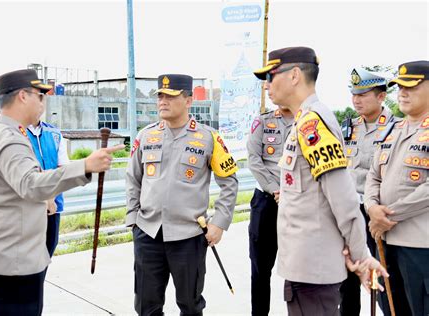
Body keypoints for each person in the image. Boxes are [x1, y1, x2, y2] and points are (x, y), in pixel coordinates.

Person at [0, 69, 124, 316]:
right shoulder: (11, 139)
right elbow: (31, 184)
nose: (43, 102)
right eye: (40, 96)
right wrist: (85, 165)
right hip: (14, 261)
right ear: (23, 96)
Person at [253, 47, 388, 315]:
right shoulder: (304, 120)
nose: (267, 85)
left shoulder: (313, 123)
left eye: (271, 76)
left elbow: (342, 196)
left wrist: (361, 256)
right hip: (305, 265)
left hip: (312, 269)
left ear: (294, 76)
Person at [125, 74, 239, 316]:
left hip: (189, 236)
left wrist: (219, 223)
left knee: (190, 305)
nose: (162, 101)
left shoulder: (209, 138)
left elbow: (229, 182)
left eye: (170, 96)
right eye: (160, 96)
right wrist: (133, 219)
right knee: (146, 306)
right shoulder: (146, 136)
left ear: (188, 101)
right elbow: (133, 178)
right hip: (148, 232)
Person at [365, 60, 429, 316]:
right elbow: (373, 174)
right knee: (392, 308)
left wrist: (388, 215)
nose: (402, 92)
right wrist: (371, 207)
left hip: (420, 245)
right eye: (400, 86)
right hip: (386, 241)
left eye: (411, 86)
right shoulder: (393, 129)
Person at [339, 67, 401, 316]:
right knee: (348, 280)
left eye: (363, 94)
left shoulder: (396, 129)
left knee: (383, 282)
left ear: (381, 96)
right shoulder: (348, 128)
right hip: (351, 212)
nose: (356, 100)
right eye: (354, 94)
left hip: (377, 214)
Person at [247, 91, 293, 314]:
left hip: (297, 203)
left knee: (297, 270)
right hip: (266, 202)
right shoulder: (263, 121)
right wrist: (276, 189)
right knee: (260, 269)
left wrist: (289, 192)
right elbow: (254, 160)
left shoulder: (310, 121)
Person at [27, 120, 69, 257]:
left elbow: (63, 169)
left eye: (42, 98)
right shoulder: (14, 132)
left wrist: (51, 197)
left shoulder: (54, 133)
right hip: (25, 208)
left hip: (53, 206)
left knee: (48, 247)